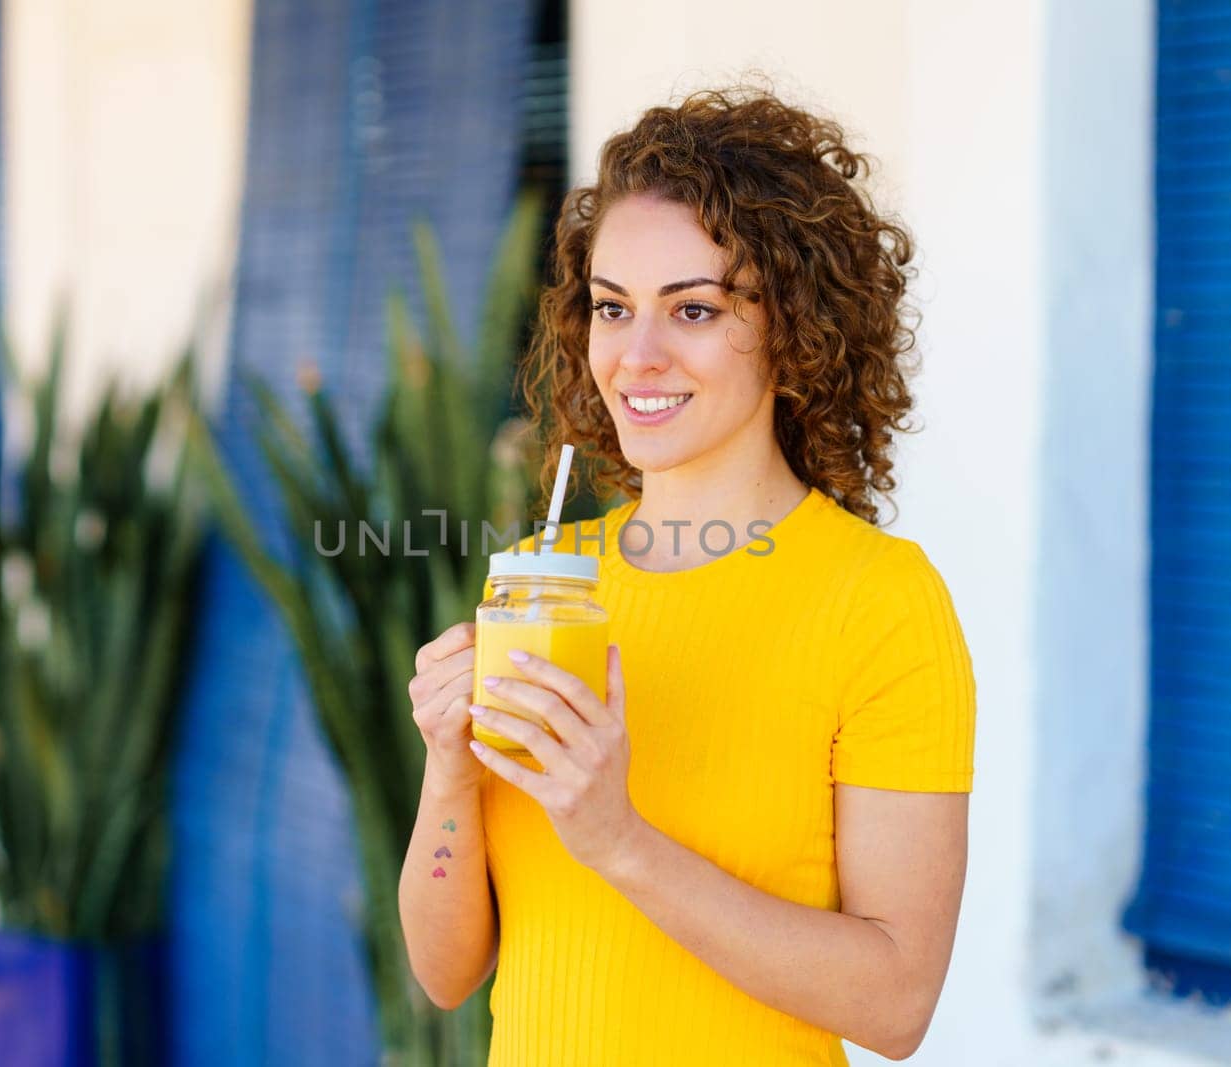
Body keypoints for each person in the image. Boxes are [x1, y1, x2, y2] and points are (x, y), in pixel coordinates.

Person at [397, 86, 975, 1066]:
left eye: (693, 309)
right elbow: (446, 971)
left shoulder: (878, 601)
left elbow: (895, 1003)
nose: (638, 355)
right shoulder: (544, 582)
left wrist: (616, 837)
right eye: (612, 308)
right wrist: (448, 774)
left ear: (795, 328)